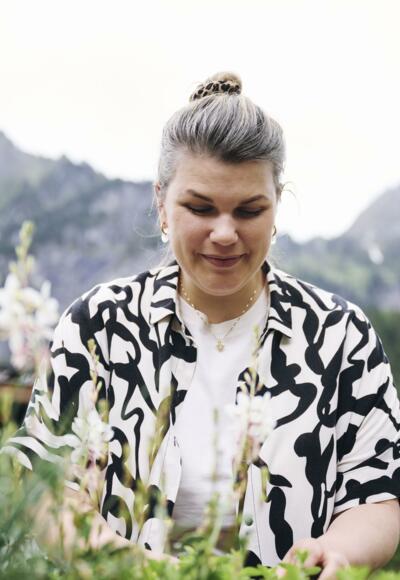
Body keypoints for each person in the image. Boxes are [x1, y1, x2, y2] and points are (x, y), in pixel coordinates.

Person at [2, 71, 400, 577]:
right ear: (161, 204)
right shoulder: (97, 326)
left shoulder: (342, 337)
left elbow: (378, 496)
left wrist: (338, 552)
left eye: (249, 210)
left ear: (277, 205)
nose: (225, 233)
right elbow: (44, 485)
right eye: (200, 208)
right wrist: (127, 565)